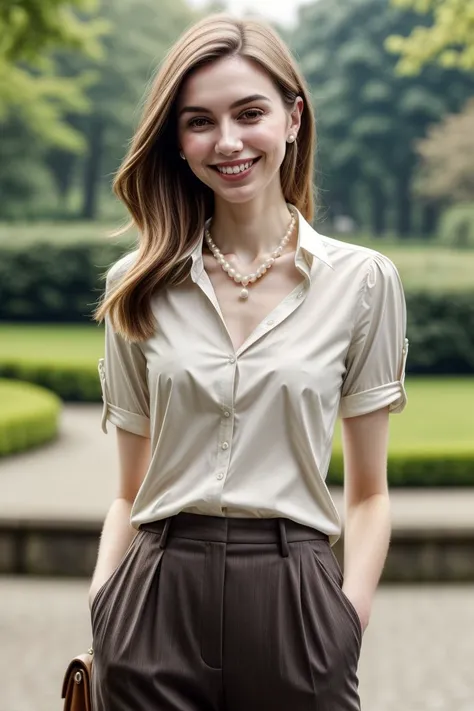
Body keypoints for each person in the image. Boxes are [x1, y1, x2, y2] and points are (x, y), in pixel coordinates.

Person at [90, 12, 408, 711]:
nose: (227, 141)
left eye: (250, 112)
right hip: (155, 598)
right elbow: (128, 489)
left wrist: (345, 619)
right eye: (199, 121)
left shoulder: (363, 281)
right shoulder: (134, 286)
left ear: (293, 119)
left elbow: (369, 492)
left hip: (297, 604)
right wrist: (105, 601)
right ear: (176, 140)